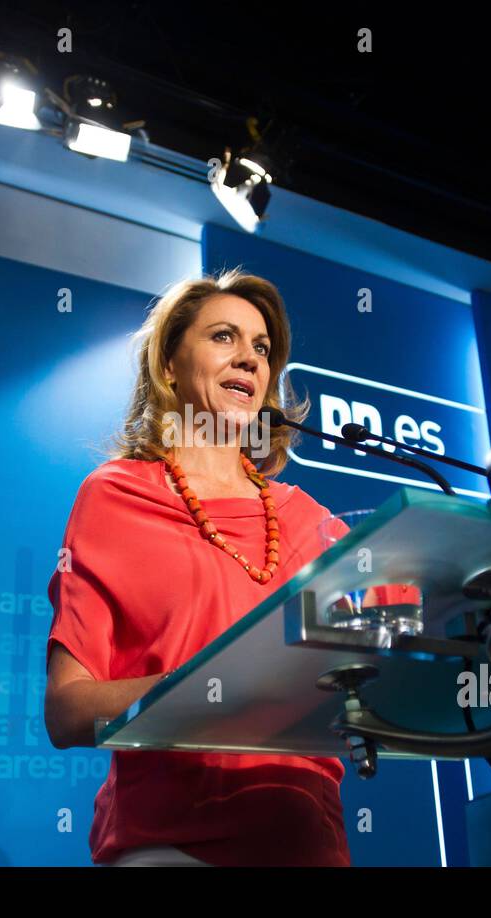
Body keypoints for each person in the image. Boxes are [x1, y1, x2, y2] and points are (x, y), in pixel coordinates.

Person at [43, 268, 351, 867]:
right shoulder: (114, 497)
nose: (249, 359)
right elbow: (66, 711)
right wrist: (207, 687)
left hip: (308, 839)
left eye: (262, 348)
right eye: (223, 338)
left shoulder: (312, 521)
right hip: (171, 846)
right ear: (167, 366)